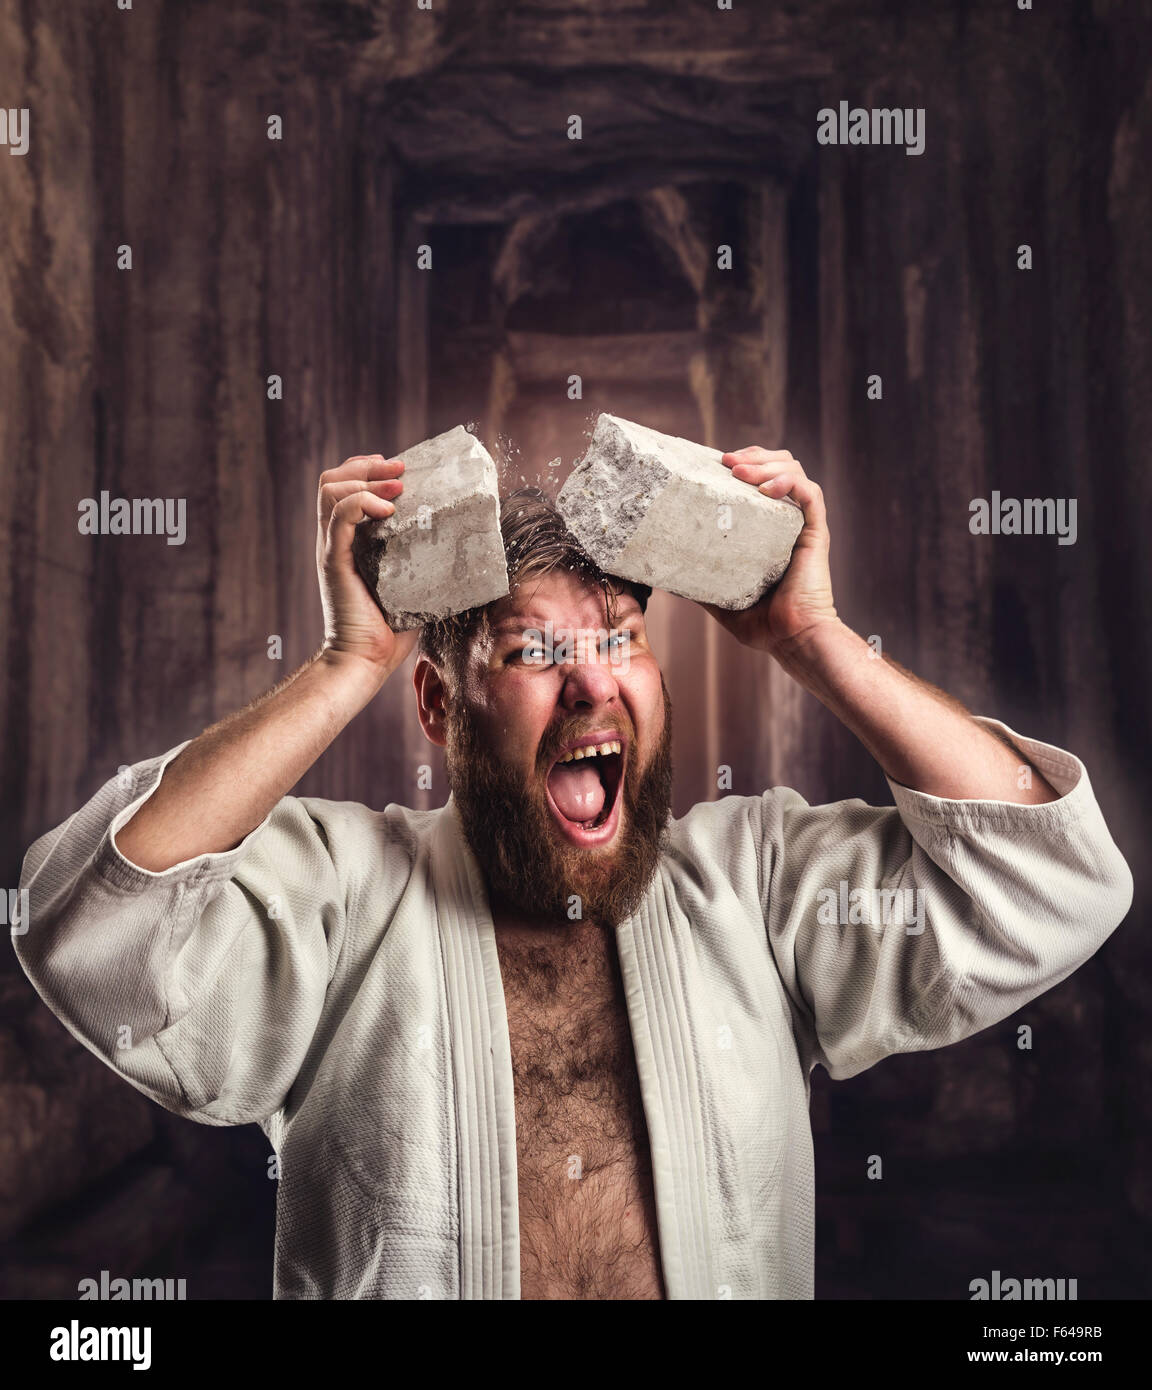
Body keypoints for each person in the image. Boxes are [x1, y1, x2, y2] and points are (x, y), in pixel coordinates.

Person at [14, 447, 1132, 1300]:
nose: (594, 685)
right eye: (535, 651)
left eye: (622, 638)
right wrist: (344, 663)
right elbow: (92, 931)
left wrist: (814, 638)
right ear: (441, 705)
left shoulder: (758, 884)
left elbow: (1051, 881)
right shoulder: (342, 897)